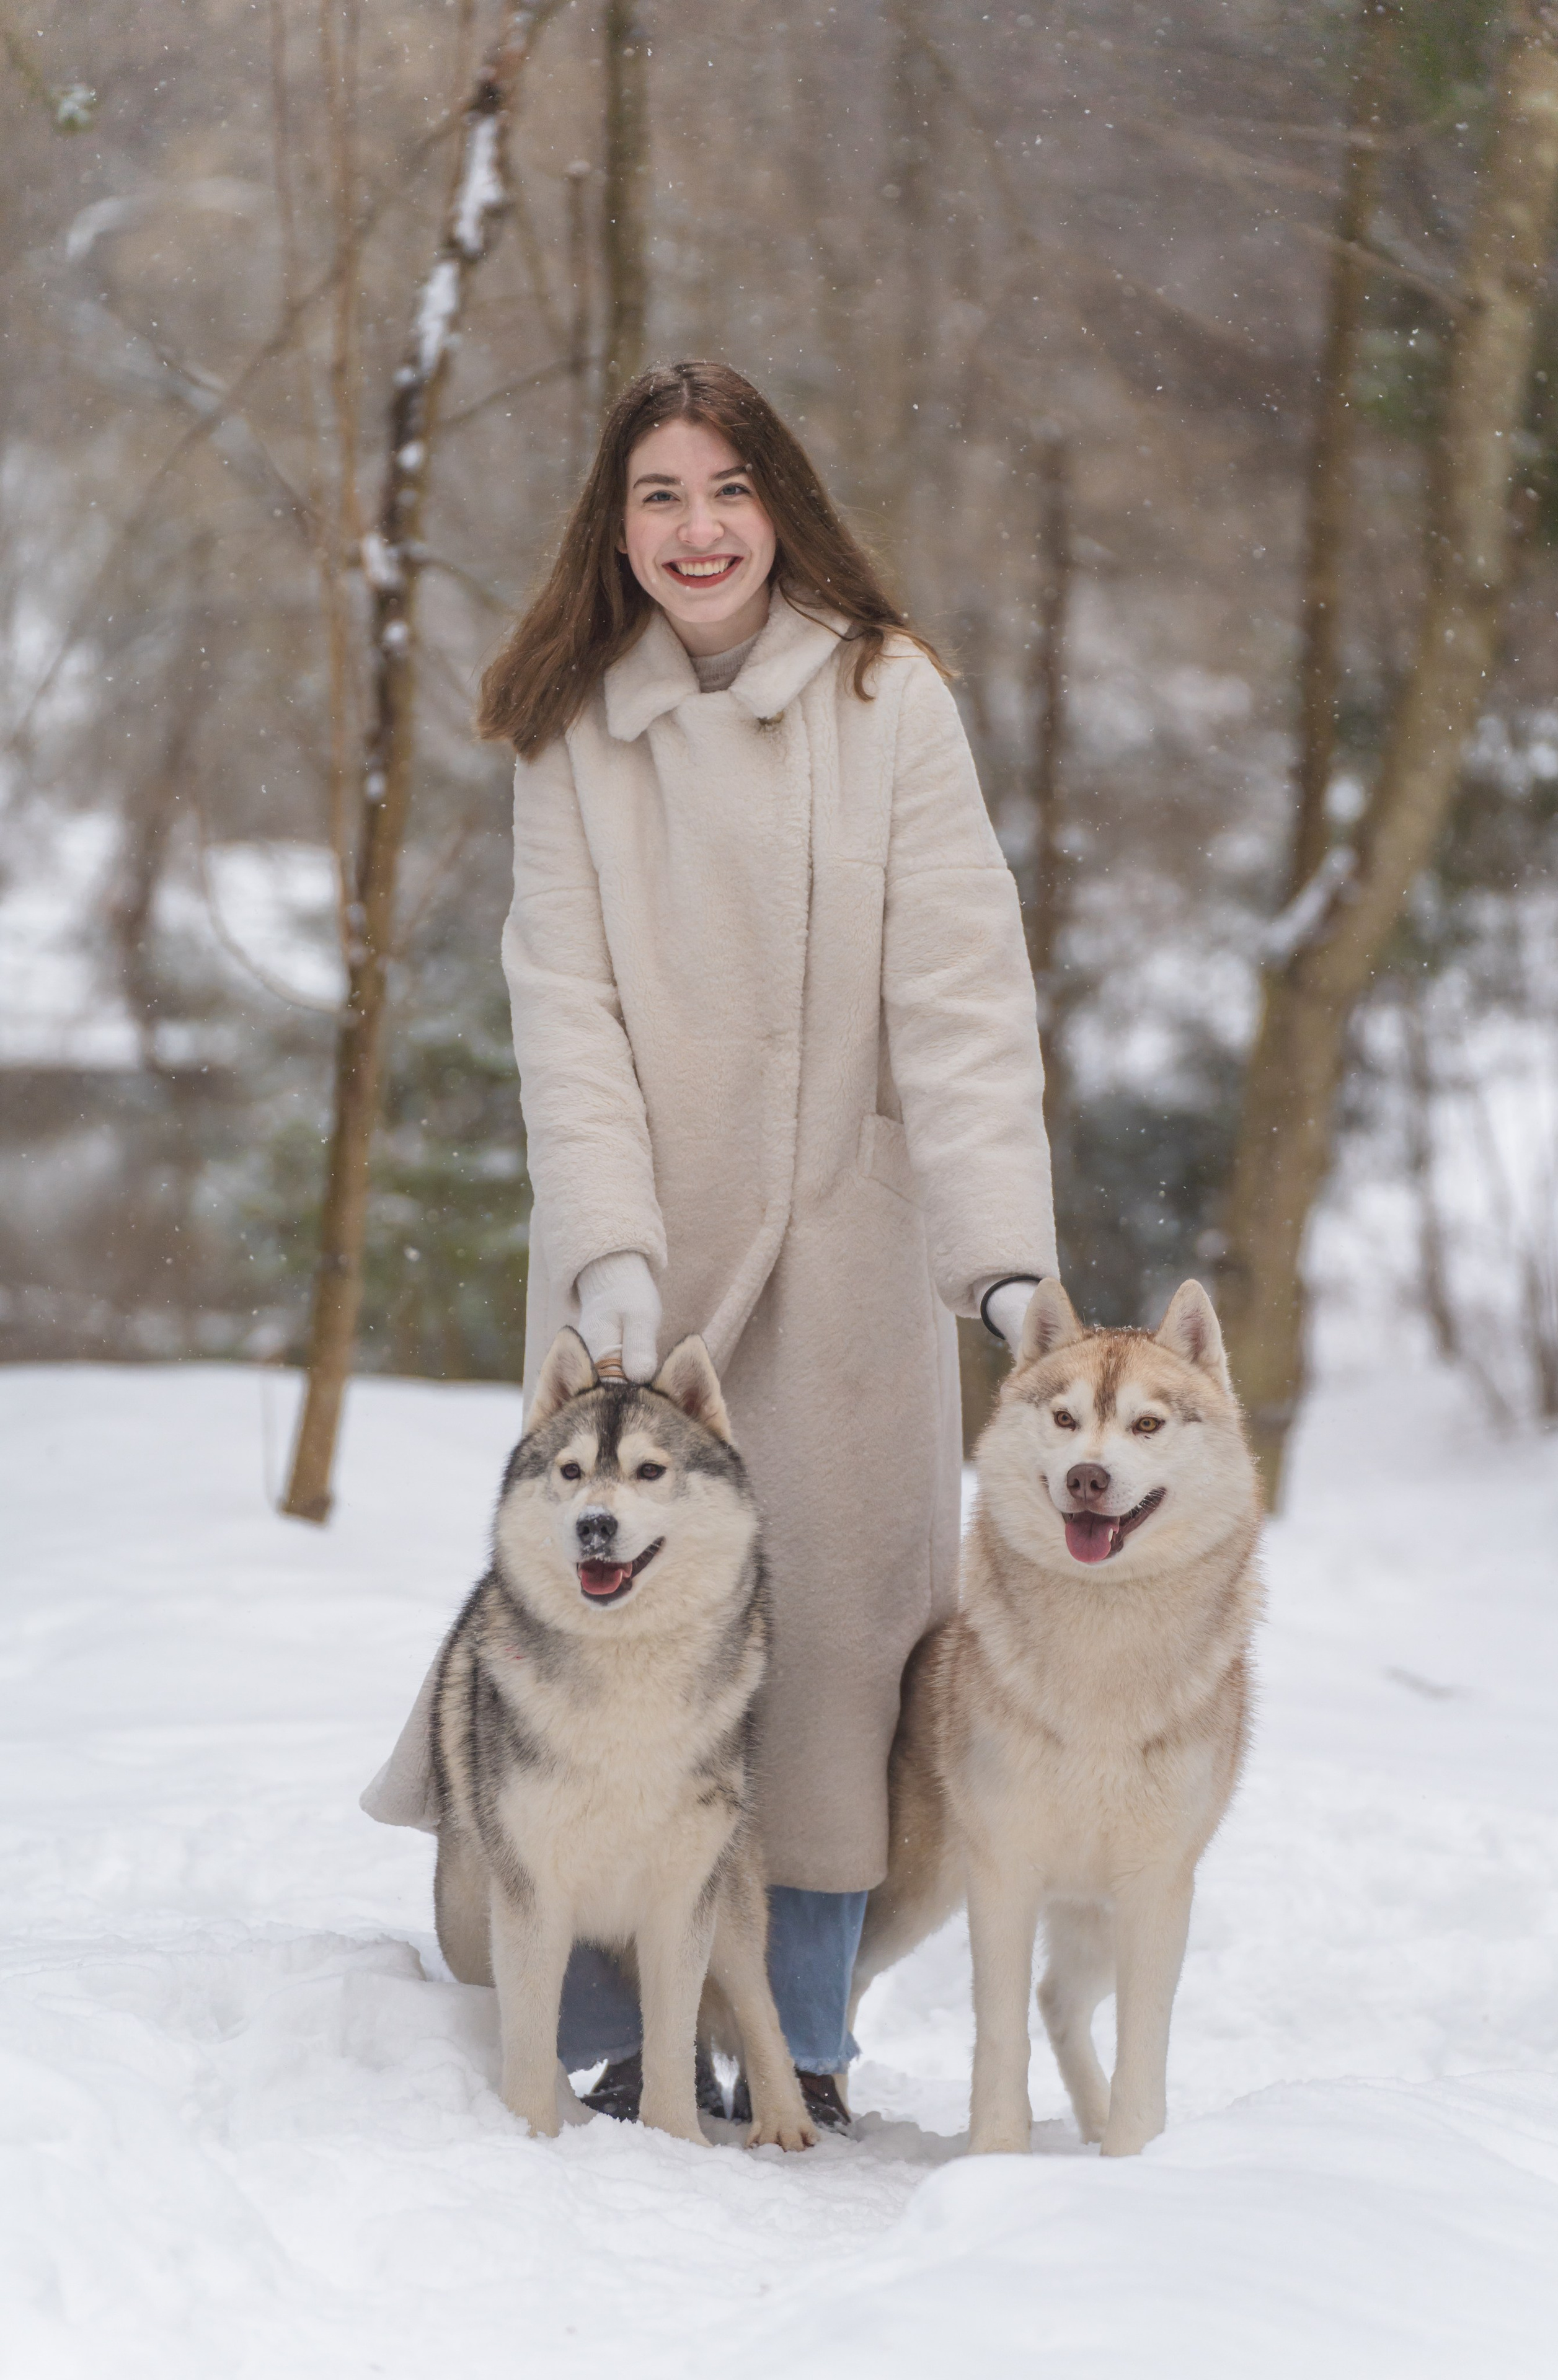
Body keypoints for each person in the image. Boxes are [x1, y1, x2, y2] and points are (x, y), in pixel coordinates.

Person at [361, 359, 1056, 2132]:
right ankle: (610, 2015)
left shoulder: (892, 696)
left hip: (844, 1251)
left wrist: (998, 1258)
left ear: (782, 506)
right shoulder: (571, 727)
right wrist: (610, 1248)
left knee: (826, 1656)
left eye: (729, 489)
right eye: (659, 495)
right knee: (612, 1648)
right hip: (641, 1265)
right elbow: (567, 1006)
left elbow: (961, 993)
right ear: (617, 526)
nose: (698, 530)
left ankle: (794, 2030)